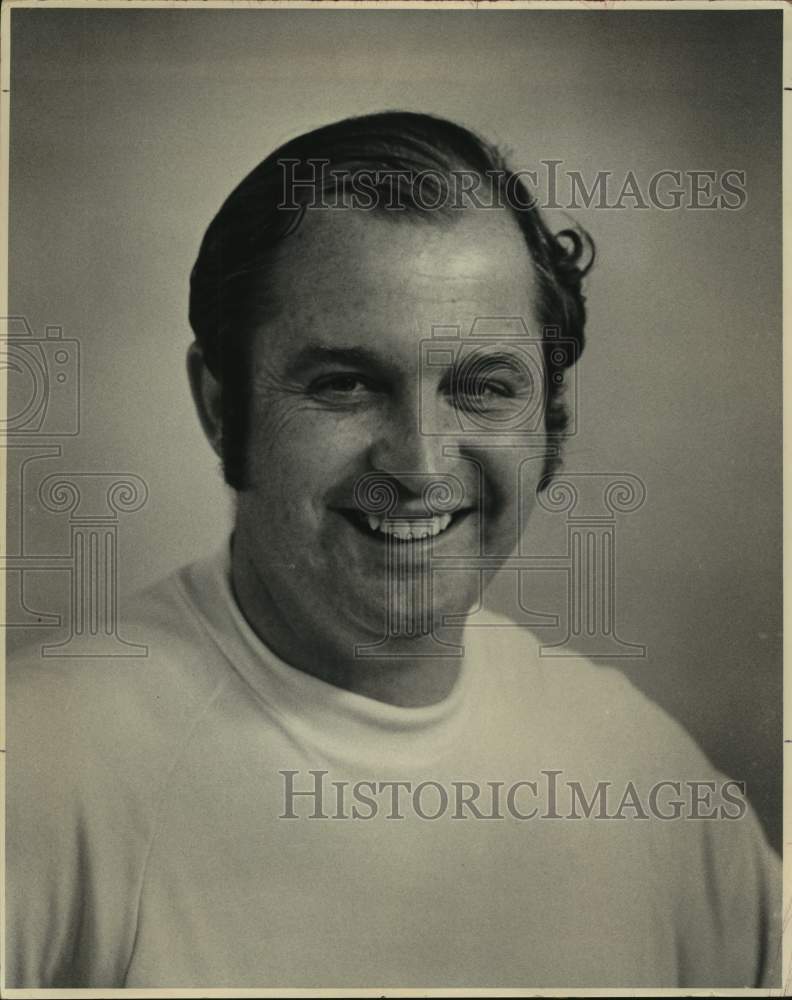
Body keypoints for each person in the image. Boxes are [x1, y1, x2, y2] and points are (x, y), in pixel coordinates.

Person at [6, 112, 780, 988]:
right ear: (222, 406)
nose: (418, 462)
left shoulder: (646, 781)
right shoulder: (37, 767)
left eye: (481, 386)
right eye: (345, 385)